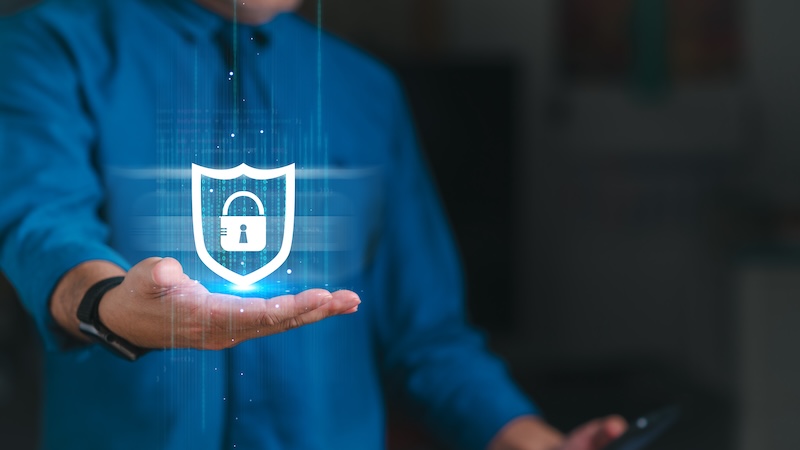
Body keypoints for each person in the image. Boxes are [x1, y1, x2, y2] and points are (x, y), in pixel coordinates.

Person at [0, 0, 626, 448]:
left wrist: (534, 439)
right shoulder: (50, 46)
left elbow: (426, 333)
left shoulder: (366, 90)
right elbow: (39, 225)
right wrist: (108, 305)